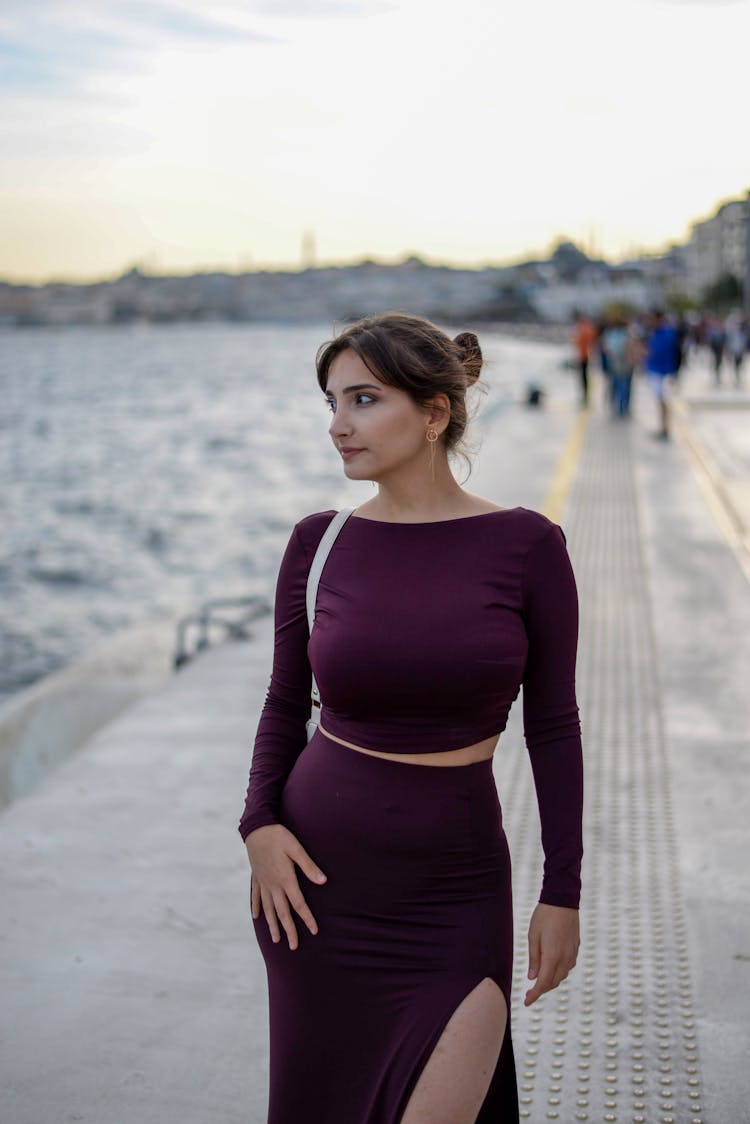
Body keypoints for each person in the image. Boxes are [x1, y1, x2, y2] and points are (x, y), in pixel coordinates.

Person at [238, 313, 583, 1124]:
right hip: (315, 889)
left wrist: (561, 889)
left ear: (433, 415)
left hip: (453, 890)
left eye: (362, 399)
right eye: (331, 402)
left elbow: (554, 725)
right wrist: (256, 826)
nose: (338, 425)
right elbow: (285, 702)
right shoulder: (318, 544)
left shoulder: (529, 546)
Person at [645, 309, 679, 439]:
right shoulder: (654, 333)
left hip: (665, 371)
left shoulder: (668, 333)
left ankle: (665, 428)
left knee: (664, 401)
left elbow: (672, 352)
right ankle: (663, 427)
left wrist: (674, 372)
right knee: (660, 401)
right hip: (655, 371)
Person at [571, 310, 597, 407]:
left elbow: (580, 341)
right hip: (583, 355)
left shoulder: (584, 329)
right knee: (583, 377)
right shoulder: (586, 328)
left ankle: (585, 396)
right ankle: (585, 396)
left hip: (584, 356)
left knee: (584, 377)